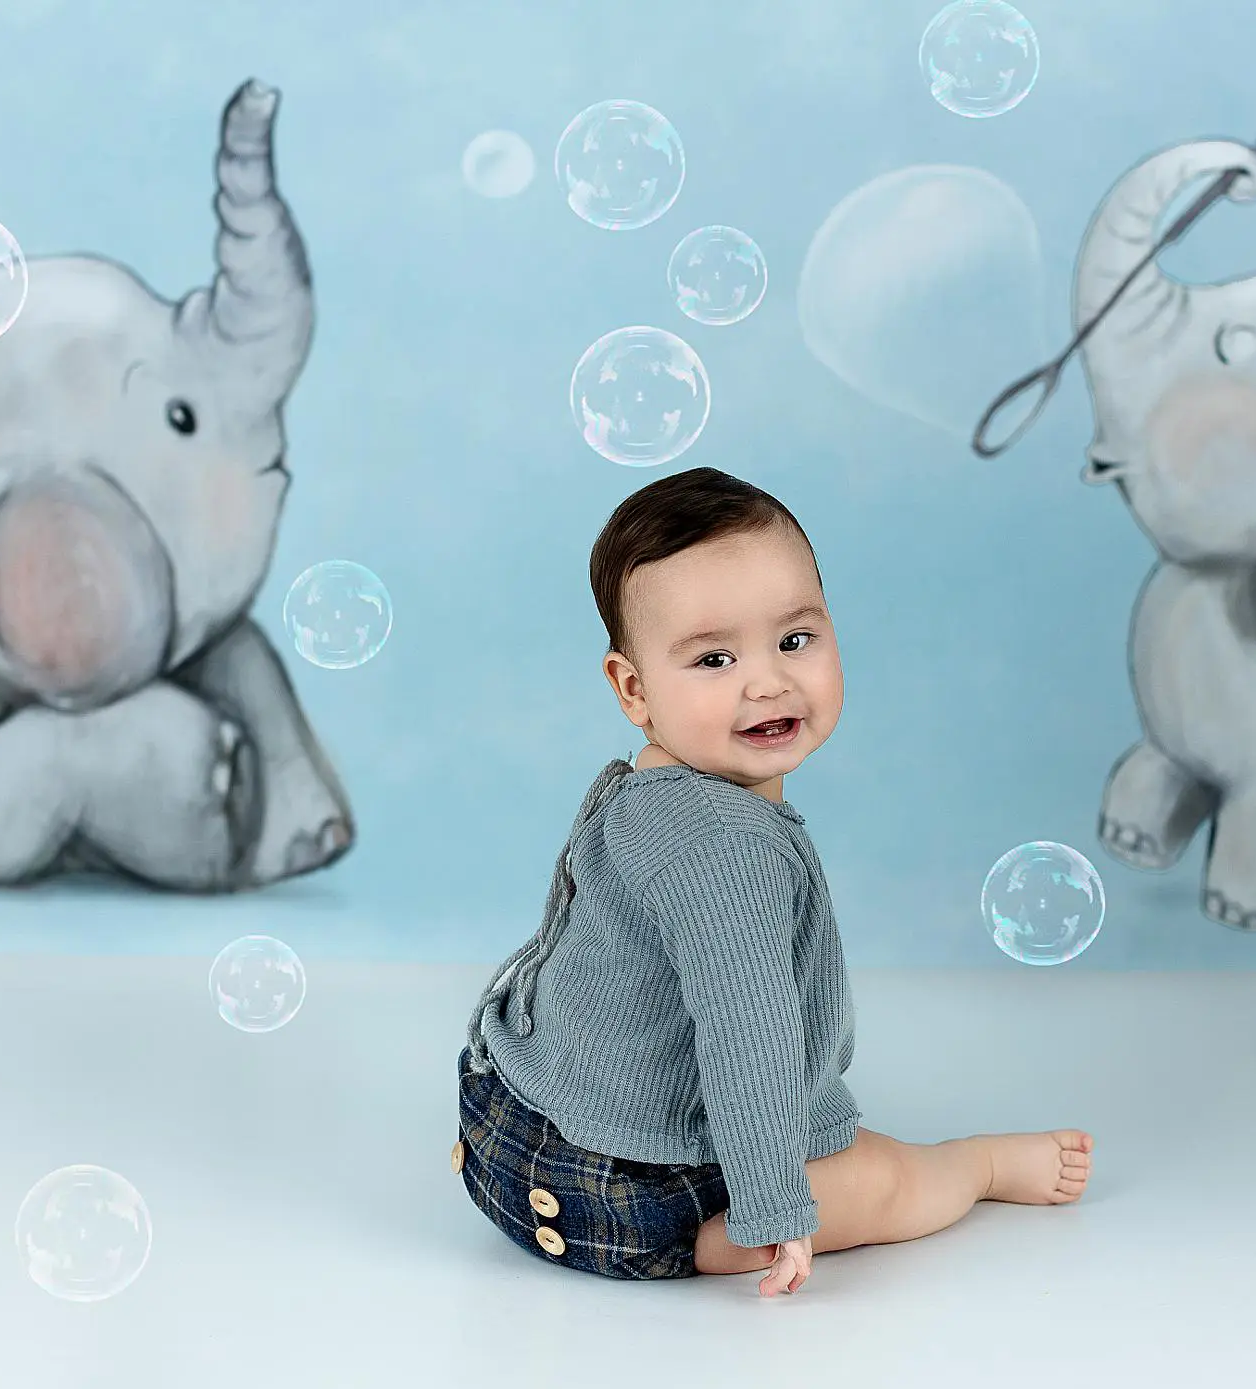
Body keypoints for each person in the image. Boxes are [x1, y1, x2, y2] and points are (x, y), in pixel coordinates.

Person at [454, 466, 1093, 1297]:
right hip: (608, 1196)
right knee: (881, 1178)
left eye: (795, 640)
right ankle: (977, 1167)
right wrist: (776, 1202)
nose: (766, 681)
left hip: (498, 1128)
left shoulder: (649, 793)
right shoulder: (726, 847)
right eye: (714, 657)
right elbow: (746, 1031)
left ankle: (723, 1208)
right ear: (633, 688)